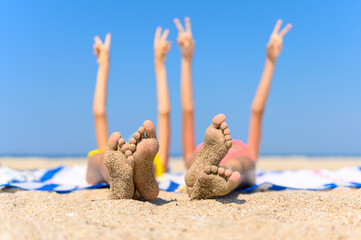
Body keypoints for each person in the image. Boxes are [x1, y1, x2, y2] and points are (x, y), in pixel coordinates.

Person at [155, 17, 292, 199]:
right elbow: (257, 111)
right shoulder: (244, 149)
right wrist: (270, 62)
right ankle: (225, 173)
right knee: (243, 165)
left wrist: (186, 60)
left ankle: (202, 177)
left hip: (200, 155)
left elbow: (188, 110)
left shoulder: (201, 148)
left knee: (195, 159)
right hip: (235, 159)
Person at [85, 34, 160, 200]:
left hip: (110, 157)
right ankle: (143, 174)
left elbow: (99, 113)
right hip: (150, 161)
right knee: (105, 158)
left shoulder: (109, 151)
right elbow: (165, 112)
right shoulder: (150, 149)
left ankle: (120, 179)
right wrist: (160, 65)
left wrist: (103, 66)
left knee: (97, 161)